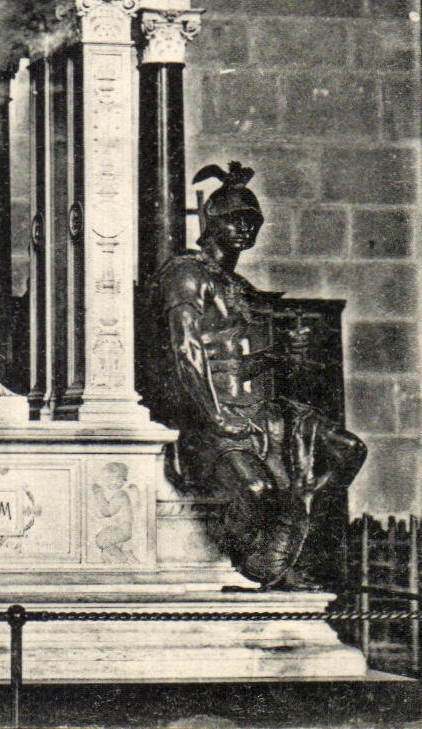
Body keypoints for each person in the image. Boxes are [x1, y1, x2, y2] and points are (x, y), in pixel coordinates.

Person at [141, 162, 365, 588]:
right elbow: (184, 350)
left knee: (348, 451)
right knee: (261, 492)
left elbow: (247, 358)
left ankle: (294, 522)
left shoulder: (237, 286)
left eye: (252, 221)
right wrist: (213, 414)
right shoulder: (187, 274)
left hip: (262, 412)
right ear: (210, 221)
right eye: (234, 220)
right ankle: (267, 567)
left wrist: (289, 354)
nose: (245, 229)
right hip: (218, 419)